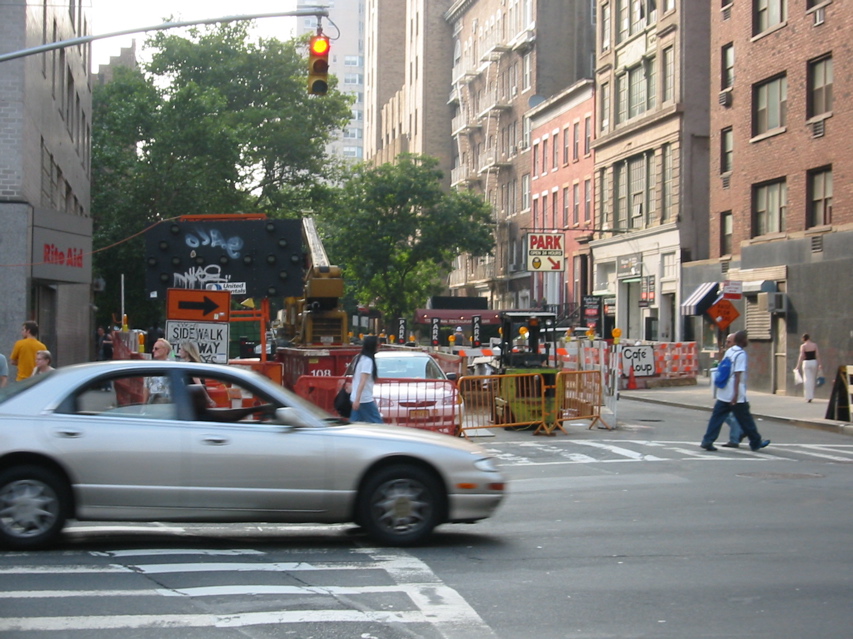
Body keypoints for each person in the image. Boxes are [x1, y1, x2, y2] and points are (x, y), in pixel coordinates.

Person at [700, 330, 770, 452]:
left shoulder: (730, 351)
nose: (747, 341)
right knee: (746, 418)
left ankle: (707, 440)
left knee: (717, 418)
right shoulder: (740, 354)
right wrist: (735, 395)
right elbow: (738, 375)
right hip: (735, 392)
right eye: (746, 339)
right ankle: (755, 442)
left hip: (724, 391)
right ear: (743, 340)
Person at [716, 333, 743, 448]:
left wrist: (735, 393)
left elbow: (738, 375)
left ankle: (737, 436)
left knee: (730, 416)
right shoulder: (729, 353)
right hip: (726, 390)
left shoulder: (739, 354)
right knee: (730, 416)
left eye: (729, 342)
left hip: (734, 391)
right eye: (726, 341)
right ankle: (740, 434)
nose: (726, 344)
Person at [350, 335, 383, 423]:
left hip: (357, 397)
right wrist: (358, 400)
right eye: (378, 344)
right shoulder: (368, 361)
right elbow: (362, 381)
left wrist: (356, 399)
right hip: (364, 399)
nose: (379, 346)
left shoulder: (359, 358)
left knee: (355, 424)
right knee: (378, 423)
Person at [143, 338, 172, 403]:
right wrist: (143, 406)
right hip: (152, 405)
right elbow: (146, 388)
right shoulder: (151, 367)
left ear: (165, 350)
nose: (153, 351)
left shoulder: (173, 367)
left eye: (156, 349)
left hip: (168, 405)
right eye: (153, 349)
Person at [795, 333, 823, 403]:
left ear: (803, 339)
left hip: (806, 363)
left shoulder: (803, 346)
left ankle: (808, 396)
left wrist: (798, 366)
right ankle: (812, 396)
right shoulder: (814, 345)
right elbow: (817, 355)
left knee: (807, 379)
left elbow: (801, 356)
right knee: (812, 379)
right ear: (809, 338)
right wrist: (820, 364)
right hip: (814, 362)